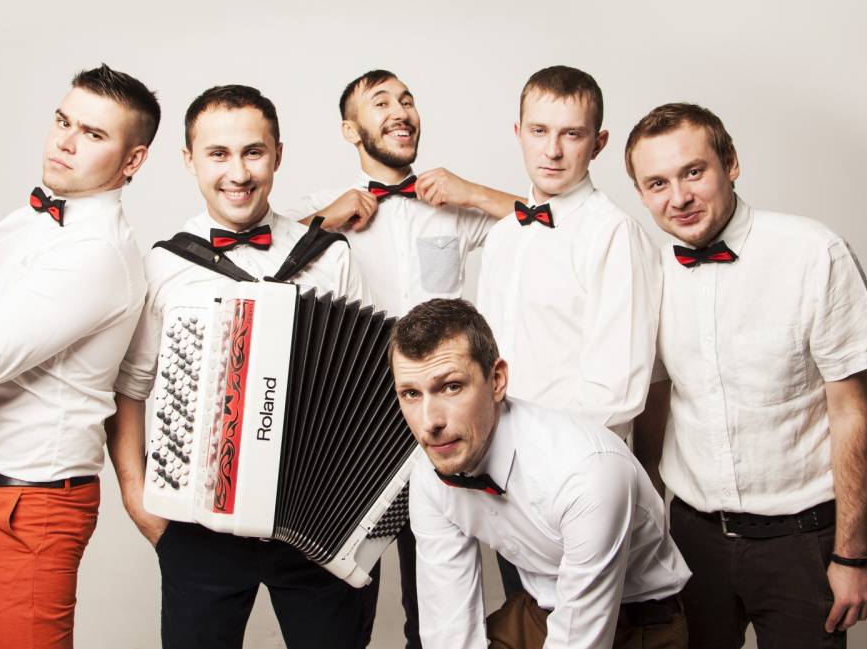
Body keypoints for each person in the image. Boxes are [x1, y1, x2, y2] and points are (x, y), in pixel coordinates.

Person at [108, 84, 375, 649]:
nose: (238, 173)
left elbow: (368, 383)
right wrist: (137, 497)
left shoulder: (331, 256)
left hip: (316, 526)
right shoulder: (165, 265)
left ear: (278, 155)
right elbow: (130, 387)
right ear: (189, 160)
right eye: (218, 154)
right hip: (199, 527)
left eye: (253, 152)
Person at [0, 64, 159, 648]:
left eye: (93, 134)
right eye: (63, 121)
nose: (66, 142)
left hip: (29, 507)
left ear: (133, 160)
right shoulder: (24, 224)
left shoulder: (96, 254)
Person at [627, 102, 867, 648]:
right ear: (641, 194)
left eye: (694, 172)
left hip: (800, 543)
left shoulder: (815, 254)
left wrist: (851, 554)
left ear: (731, 164)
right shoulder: (648, 272)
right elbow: (656, 404)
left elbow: (850, 412)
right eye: (657, 183)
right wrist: (647, 531)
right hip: (690, 542)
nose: (679, 197)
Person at [283, 68, 520, 646]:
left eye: (407, 100)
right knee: (346, 598)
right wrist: (325, 221)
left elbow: (547, 224)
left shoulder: (451, 203)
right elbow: (264, 261)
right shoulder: (321, 210)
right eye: (381, 102)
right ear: (350, 130)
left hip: (444, 420)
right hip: (356, 428)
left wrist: (472, 192)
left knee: (441, 601)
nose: (400, 111)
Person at [389, 298, 690, 649]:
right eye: (411, 393)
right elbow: (449, 631)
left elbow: (579, 640)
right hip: (539, 610)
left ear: (497, 380)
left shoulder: (588, 473)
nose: (430, 422)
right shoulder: (431, 470)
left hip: (638, 623)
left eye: (451, 387)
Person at [476, 65, 661, 597]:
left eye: (571, 134)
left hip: (574, 485)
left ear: (598, 143)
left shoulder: (614, 235)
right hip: (501, 484)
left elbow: (618, 392)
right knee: (522, 623)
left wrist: (539, 470)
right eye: (539, 131)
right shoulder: (504, 236)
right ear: (519, 133)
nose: (552, 150)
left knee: (587, 631)